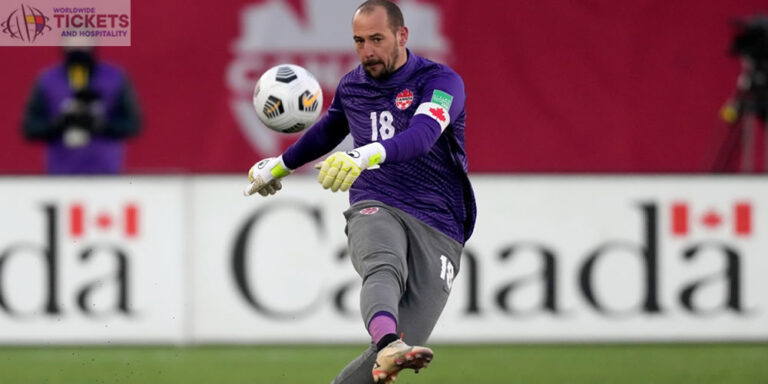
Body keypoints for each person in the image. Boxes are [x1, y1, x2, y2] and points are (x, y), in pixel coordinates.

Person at [244, 1, 476, 382]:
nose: (367, 51)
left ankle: (388, 348)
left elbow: (421, 137)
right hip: (377, 201)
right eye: (359, 41)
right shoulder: (354, 85)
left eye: (377, 39)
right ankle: (387, 340)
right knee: (382, 267)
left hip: (440, 224)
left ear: (402, 36)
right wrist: (280, 165)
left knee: (387, 364)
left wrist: (363, 155)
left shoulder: (441, 82)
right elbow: (329, 130)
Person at [22, 39, 141, 174]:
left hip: (105, 170)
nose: (78, 48)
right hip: (61, 171)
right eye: (72, 43)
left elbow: (132, 124)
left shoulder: (114, 77)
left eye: (83, 43)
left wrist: (100, 125)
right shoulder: (48, 80)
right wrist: (59, 124)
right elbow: (31, 127)